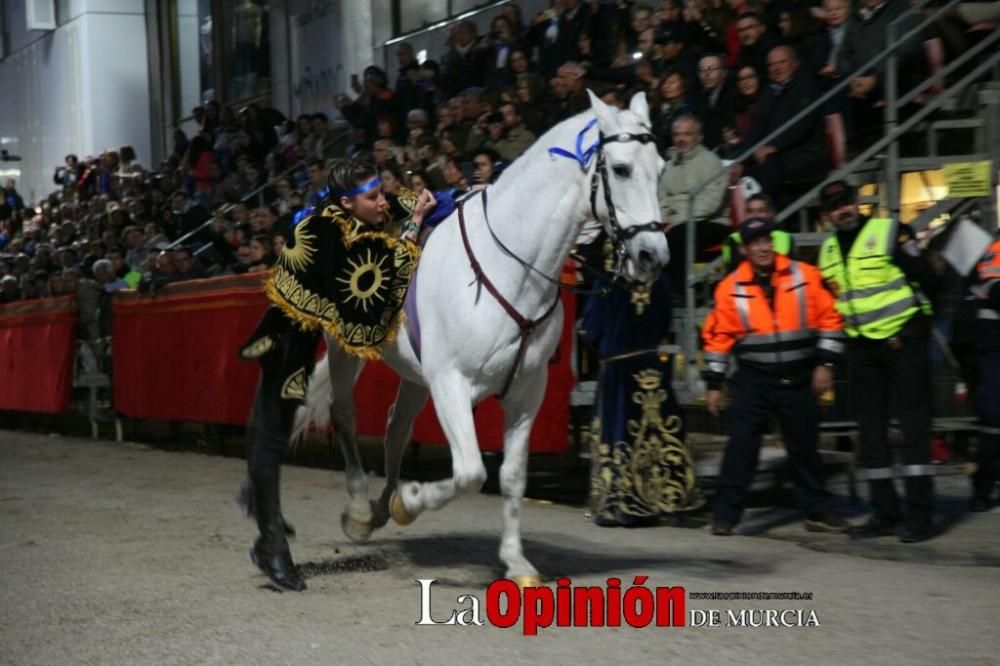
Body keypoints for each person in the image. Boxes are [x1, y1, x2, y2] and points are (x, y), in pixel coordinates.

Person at [237, 156, 435, 591]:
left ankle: (257, 499)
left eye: (381, 193)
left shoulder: (348, 206)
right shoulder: (327, 238)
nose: (383, 201)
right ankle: (270, 540)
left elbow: (401, 202)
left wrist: (437, 200)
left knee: (274, 428)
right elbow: (385, 280)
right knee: (272, 430)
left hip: (308, 333)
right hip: (288, 336)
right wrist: (415, 225)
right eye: (373, 197)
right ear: (347, 203)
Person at [703, 216, 849, 536]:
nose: (762, 247)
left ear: (774, 242)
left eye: (766, 240)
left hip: (799, 376)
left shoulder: (805, 275)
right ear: (744, 248)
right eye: (754, 242)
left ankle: (816, 511)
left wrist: (825, 365)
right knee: (741, 447)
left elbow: (831, 319)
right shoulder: (730, 287)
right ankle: (725, 514)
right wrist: (714, 384)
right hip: (753, 379)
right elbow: (718, 338)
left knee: (804, 447)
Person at [816, 180, 936, 543]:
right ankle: (885, 513)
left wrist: (918, 330)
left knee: (914, 430)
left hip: (903, 341)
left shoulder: (888, 232)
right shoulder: (828, 253)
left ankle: (920, 516)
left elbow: (929, 278)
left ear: (857, 202)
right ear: (827, 215)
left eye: (847, 202)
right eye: (835, 207)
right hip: (863, 350)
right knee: (870, 434)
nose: (844, 210)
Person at [582, 240, 703, 526]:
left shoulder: (606, 283)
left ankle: (623, 502)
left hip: (618, 369)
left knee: (620, 433)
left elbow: (592, 329)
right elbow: (664, 322)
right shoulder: (661, 282)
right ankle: (667, 497)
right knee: (660, 433)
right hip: (651, 365)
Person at [957, 237, 1000, 511]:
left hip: (989, 347)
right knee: (993, 421)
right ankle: (982, 488)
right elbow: (994, 290)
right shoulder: (994, 251)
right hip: (994, 347)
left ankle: (982, 488)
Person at [721, 193, 794, 272]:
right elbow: (731, 272)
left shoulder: (784, 238)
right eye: (750, 211)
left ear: (771, 213)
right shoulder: (733, 239)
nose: (755, 215)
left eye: (761, 211)